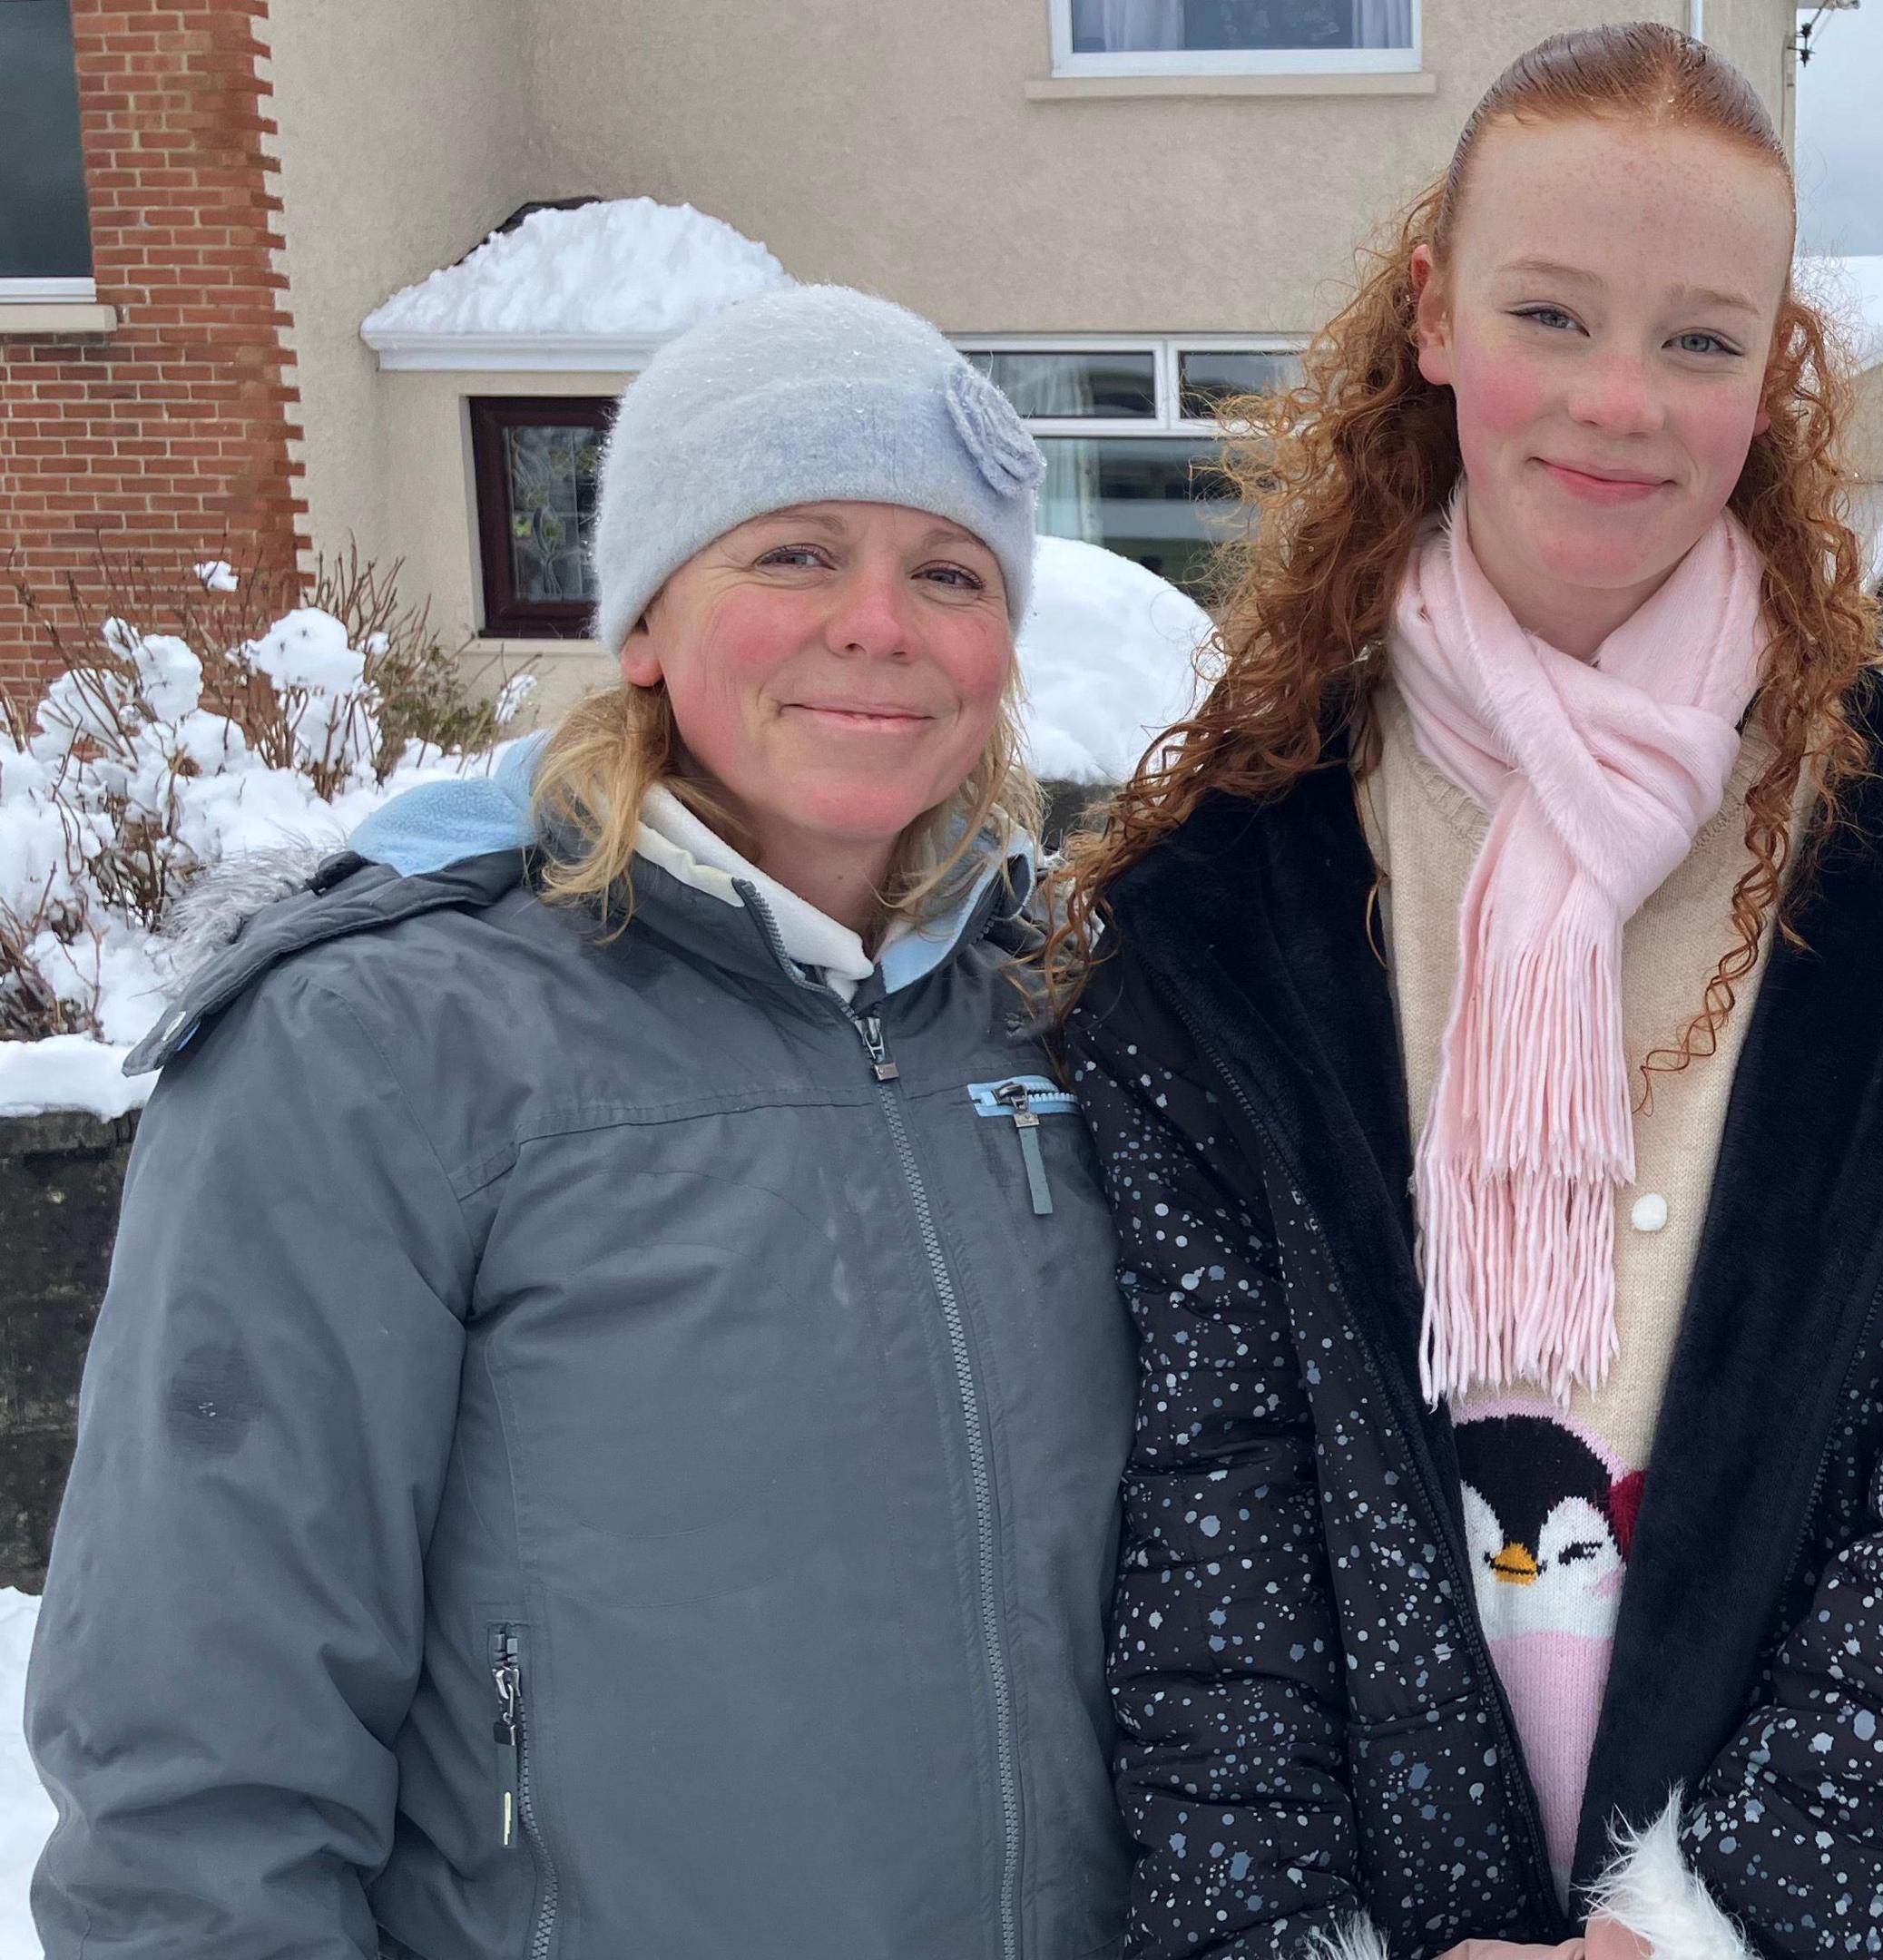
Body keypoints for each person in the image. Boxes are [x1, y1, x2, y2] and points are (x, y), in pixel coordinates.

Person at [1039, 25, 1883, 1959]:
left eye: (1701, 340)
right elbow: (1202, 1521)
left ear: (1774, 378)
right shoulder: (1226, 909)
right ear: (1435, 321)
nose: (1619, 405)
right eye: (1552, 313)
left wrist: (1716, 1930)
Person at [26, 286, 1133, 1957]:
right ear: (643, 623)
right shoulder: (373, 1041)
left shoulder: (1061, 1015)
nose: (880, 624)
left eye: (951, 573)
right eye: (794, 552)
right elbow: (202, 1753)